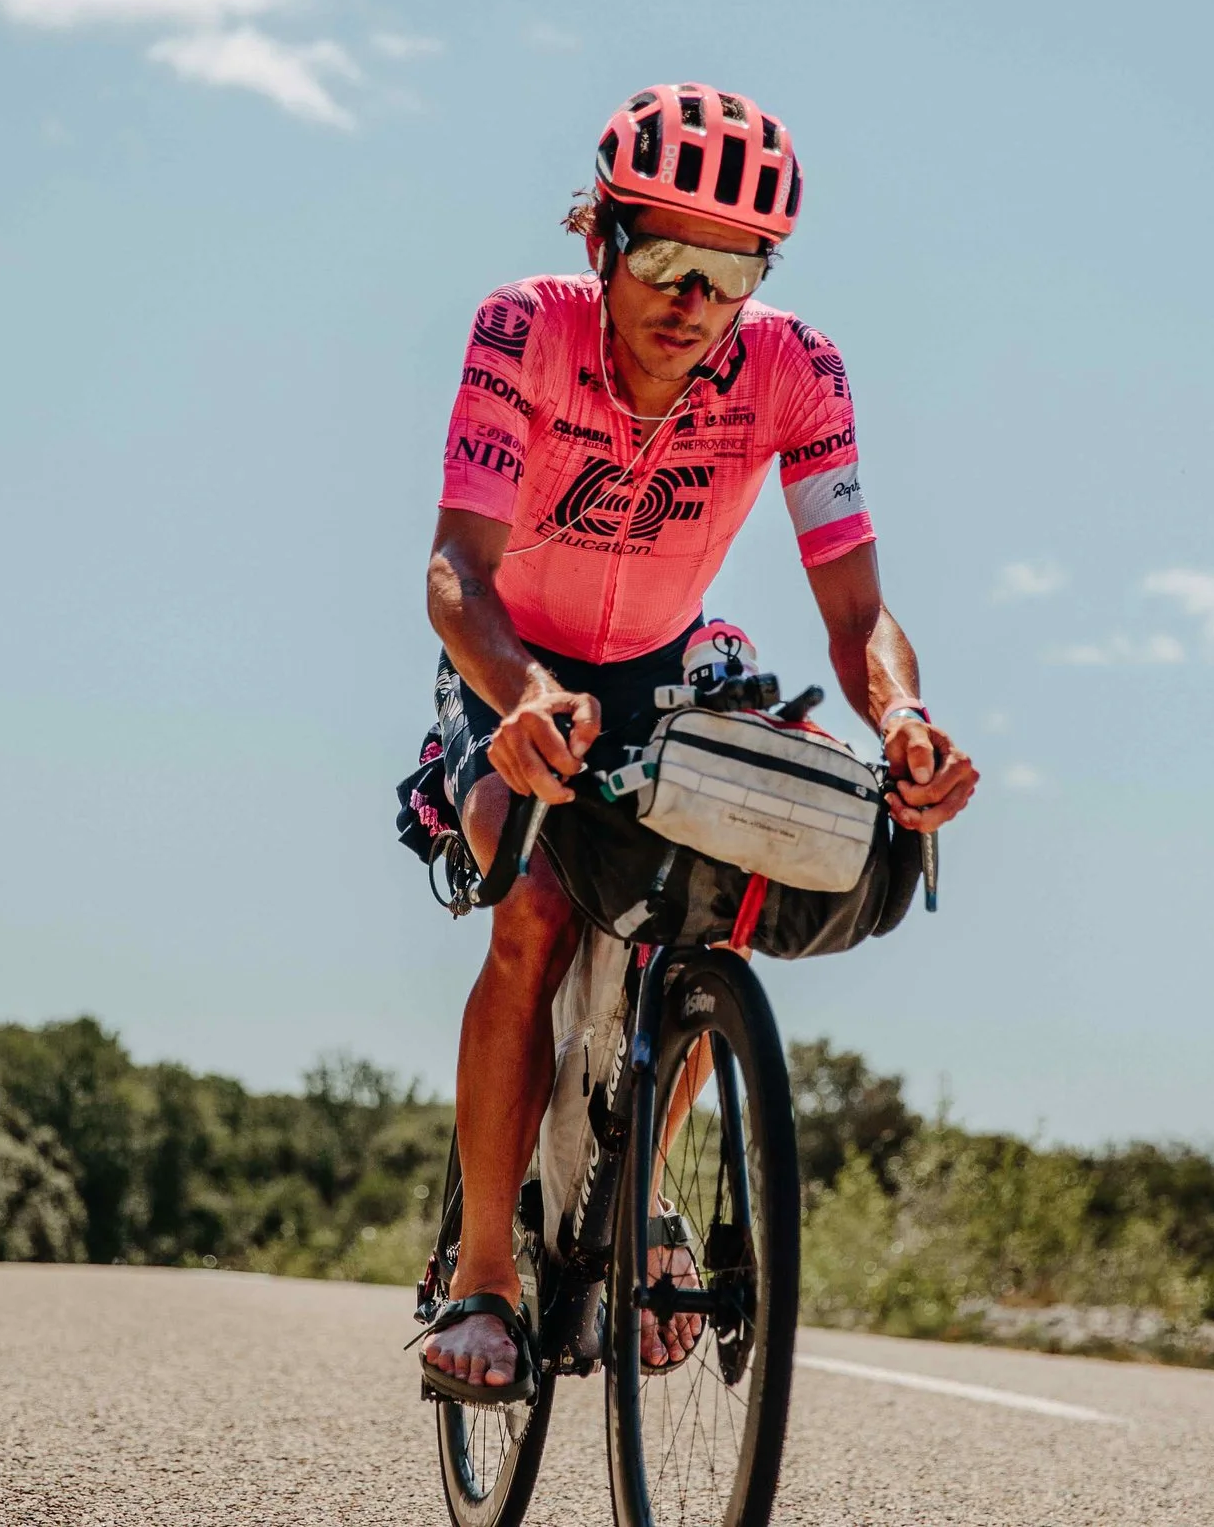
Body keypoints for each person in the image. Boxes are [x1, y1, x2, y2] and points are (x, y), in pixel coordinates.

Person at [417, 83, 979, 1399]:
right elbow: (456, 570)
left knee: (711, 902)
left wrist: (900, 715)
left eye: (730, 269)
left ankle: (643, 1193)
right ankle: (486, 1273)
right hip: (519, 656)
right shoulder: (524, 328)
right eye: (664, 255)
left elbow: (859, 606)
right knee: (529, 900)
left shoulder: (797, 367)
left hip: (672, 667)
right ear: (601, 238)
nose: (692, 295)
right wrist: (518, 699)